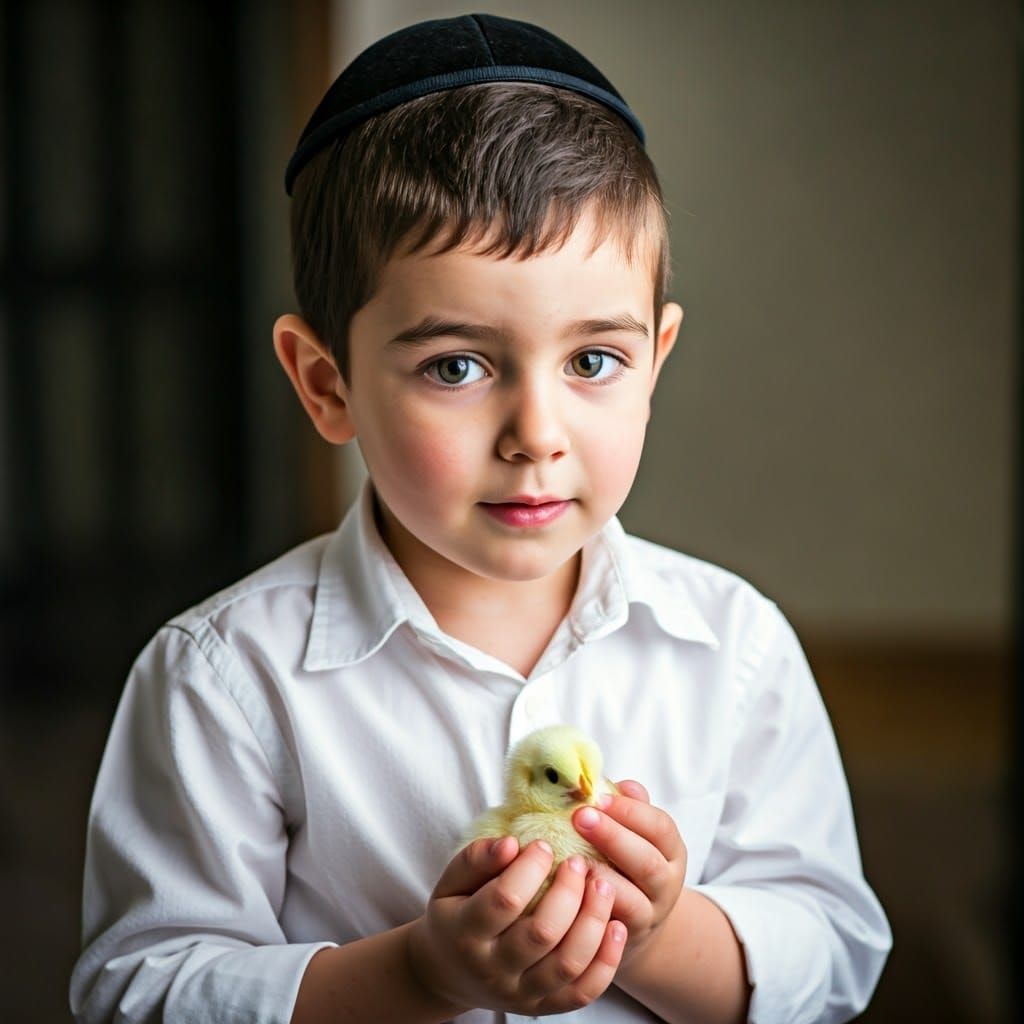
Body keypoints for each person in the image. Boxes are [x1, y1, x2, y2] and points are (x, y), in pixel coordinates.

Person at [70, 13, 891, 1024]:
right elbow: (142, 988)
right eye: (456, 366)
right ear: (326, 384)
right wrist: (421, 975)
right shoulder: (226, 679)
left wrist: (660, 935)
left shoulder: (735, 650)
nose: (535, 434)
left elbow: (831, 951)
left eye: (593, 360)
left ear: (654, 364)